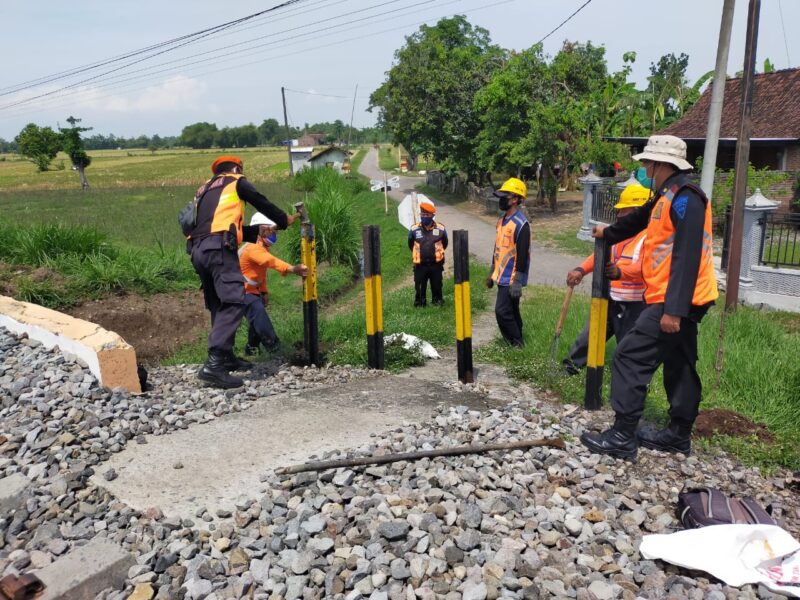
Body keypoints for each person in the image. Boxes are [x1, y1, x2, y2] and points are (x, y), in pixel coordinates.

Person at [580, 135, 719, 460]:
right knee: (680, 363)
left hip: (676, 299)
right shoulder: (665, 196)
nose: (644, 167)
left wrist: (674, 309)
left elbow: (687, 255)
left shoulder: (687, 198)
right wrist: (607, 233)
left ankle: (622, 435)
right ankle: (677, 435)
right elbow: (638, 220)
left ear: (661, 165)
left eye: (647, 163)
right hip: (678, 298)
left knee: (628, 357)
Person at [186, 155, 298, 389]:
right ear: (236, 168)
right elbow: (260, 201)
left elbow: (217, 225)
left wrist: (257, 232)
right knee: (235, 300)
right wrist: (284, 220)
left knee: (218, 303)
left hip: (198, 250)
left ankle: (225, 357)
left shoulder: (204, 189)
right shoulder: (235, 181)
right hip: (218, 249)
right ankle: (214, 365)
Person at [562, 183, 650, 375]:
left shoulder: (649, 238)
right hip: (609, 299)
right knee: (588, 336)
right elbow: (599, 255)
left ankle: (631, 386)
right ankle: (571, 368)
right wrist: (580, 270)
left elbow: (646, 267)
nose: (618, 215)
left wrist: (620, 272)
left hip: (634, 305)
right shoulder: (618, 233)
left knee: (629, 348)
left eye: (624, 211)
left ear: (637, 211)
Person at [239, 213, 308, 356]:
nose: (274, 234)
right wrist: (292, 268)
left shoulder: (261, 246)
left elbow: (260, 274)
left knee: (255, 322)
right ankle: (275, 348)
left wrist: (263, 292)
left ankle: (251, 350)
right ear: (261, 229)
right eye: (272, 231)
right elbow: (270, 261)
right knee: (259, 316)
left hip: (252, 290)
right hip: (241, 291)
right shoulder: (252, 247)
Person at [486, 177, 531, 347]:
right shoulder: (501, 220)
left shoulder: (521, 224)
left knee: (502, 311)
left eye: (505, 195)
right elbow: (497, 248)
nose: (502, 199)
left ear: (515, 199)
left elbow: (523, 253)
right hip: (500, 273)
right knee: (512, 310)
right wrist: (491, 273)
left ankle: (515, 343)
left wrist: (518, 279)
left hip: (511, 277)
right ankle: (518, 339)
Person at [408, 199, 448, 307]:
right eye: (422, 214)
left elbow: (445, 243)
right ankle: (420, 305)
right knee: (420, 287)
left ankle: (437, 303)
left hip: (436, 265)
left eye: (427, 214)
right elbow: (410, 244)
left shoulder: (441, 228)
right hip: (420, 265)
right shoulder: (414, 229)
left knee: (437, 286)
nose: (424, 216)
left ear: (432, 215)